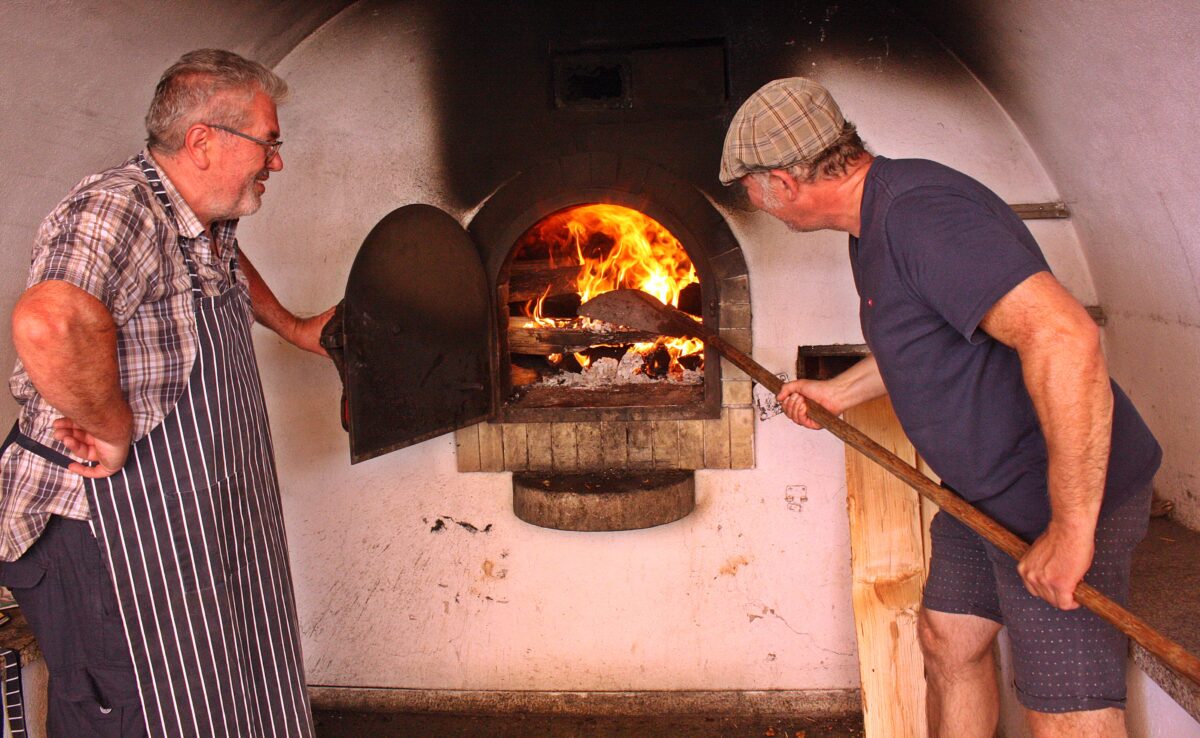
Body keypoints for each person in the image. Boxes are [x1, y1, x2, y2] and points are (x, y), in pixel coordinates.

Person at [720, 78, 1161, 738]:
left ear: (783, 181)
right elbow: (930, 340)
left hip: (1053, 492)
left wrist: (1071, 531)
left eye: (747, 188)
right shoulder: (874, 222)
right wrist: (841, 392)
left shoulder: (921, 216)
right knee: (947, 640)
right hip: (981, 496)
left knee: (1065, 711)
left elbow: (1066, 336)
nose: (750, 202)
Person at [0, 49, 331, 738]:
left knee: (221, 696)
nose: (277, 162)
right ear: (203, 140)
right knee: (132, 715)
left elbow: (224, 266)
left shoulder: (197, 222)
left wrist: (295, 327)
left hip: (188, 523)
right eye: (269, 143)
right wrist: (111, 424)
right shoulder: (117, 207)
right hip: (102, 534)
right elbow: (49, 319)